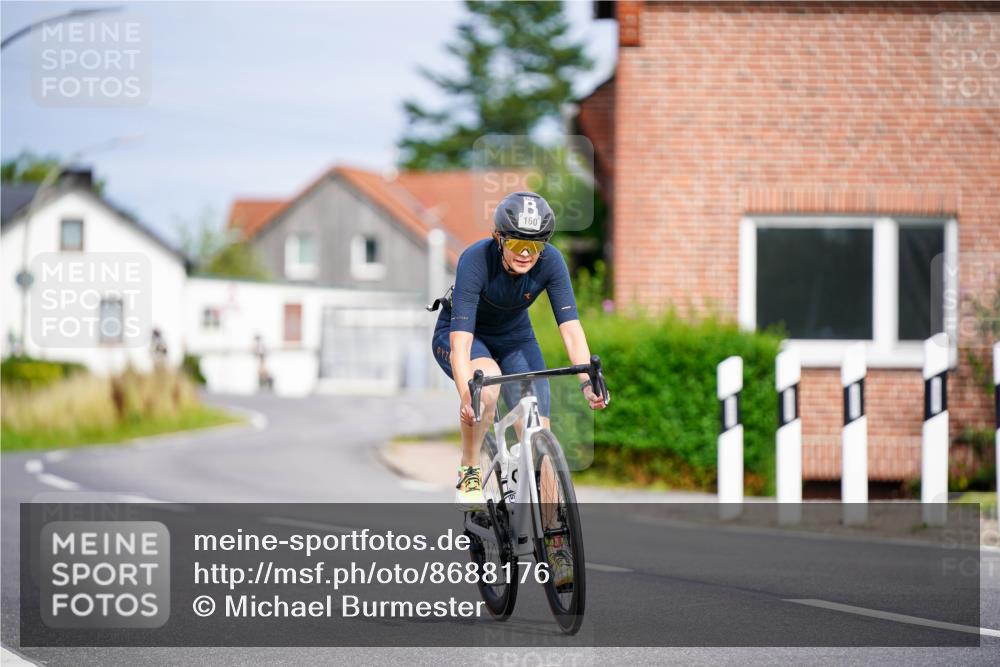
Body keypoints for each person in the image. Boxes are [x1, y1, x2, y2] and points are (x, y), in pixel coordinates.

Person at [430, 191, 607, 513]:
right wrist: (468, 396)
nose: (526, 253)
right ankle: (469, 468)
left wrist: (587, 380)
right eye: (516, 244)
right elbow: (460, 346)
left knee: (540, 432)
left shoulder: (551, 262)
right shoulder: (475, 260)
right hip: (465, 336)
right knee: (489, 385)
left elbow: (570, 329)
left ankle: (555, 535)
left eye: (535, 245)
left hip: (515, 339)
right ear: (499, 239)